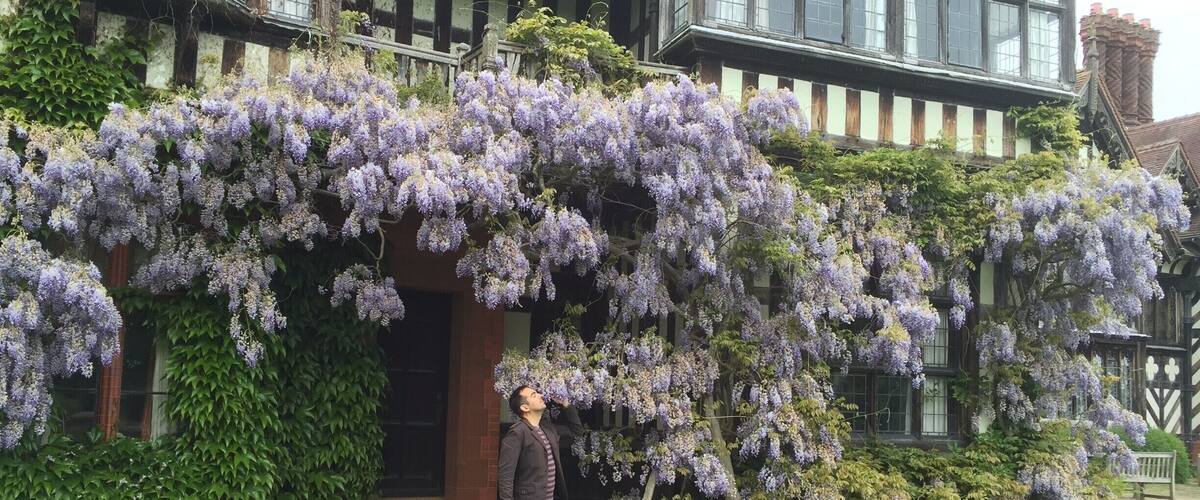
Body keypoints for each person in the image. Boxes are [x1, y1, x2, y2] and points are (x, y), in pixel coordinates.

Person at [498, 385, 584, 500]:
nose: (541, 395)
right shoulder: (517, 433)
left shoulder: (548, 429)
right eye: (534, 395)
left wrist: (566, 404)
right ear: (525, 407)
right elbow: (506, 477)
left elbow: (576, 430)